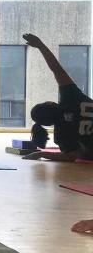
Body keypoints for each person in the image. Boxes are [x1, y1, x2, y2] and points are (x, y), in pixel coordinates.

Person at [21, 33, 93, 162]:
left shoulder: (60, 135)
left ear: (47, 124)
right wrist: (40, 45)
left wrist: (41, 154)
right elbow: (56, 69)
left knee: (83, 152)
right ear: (50, 103)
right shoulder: (70, 96)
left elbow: (71, 156)